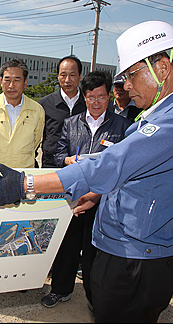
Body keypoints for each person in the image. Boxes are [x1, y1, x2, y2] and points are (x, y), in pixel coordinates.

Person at [0, 21, 173, 323]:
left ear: (161, 68)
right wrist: (96, 194)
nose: (126, 87)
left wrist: (25, 184)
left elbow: (112, 164)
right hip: (125, 250)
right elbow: (135, 174)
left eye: (132, 76)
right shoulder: (165, 117)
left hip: (135, 258)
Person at [43, 71, 131, 310]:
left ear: (109, 96)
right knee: (67, 247)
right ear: (84, 96)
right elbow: (58, 154)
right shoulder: (72, 123)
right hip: (73, 196)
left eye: (101, 97)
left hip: (103, 199)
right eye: (91, 97)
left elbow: (123, 164)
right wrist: (67, 160)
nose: (96, 102)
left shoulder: (122, 126)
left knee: (96, 253)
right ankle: (60, 289)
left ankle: (95, 298)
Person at [0, 59, 44, 168]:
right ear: (1, 81)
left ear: (25, 82)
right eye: (7, 80)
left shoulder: (37, 110)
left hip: (23, 174)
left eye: (17, 80)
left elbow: (36, 142)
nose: (11, 85)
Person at [38, 55, 87, 168]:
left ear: (80, 76)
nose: (67, 80)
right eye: (63, 75)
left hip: (81, 166)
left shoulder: (88, 104)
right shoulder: (45, 104)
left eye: (72, 75)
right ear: (58, 76)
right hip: (52, 166)